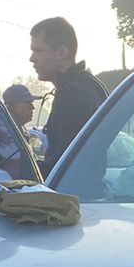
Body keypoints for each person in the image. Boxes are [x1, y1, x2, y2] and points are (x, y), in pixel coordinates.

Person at [29, 16, 107, 167]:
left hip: (72, 189)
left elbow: (67, 162)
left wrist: (25, 172)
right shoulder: (84, 86)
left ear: (61, 52)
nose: (32, 58)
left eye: (38, 50)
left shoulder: (74, 94)